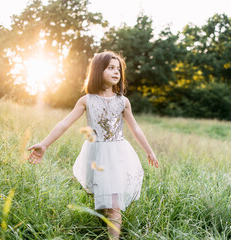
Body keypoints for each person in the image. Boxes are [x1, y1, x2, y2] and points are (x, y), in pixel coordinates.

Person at [27, 51, 159, 239]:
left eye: (118, 69)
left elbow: (136, 129)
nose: (116, 72)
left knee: (114, 207)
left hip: (117, 155)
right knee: (106, 205)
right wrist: (44, 144)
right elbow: (65, 123)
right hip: (96, 155)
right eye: (110, 68)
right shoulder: (86, 100)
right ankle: (105, 221)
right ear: (98, 71)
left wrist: (149, 151)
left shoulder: (123, 102)